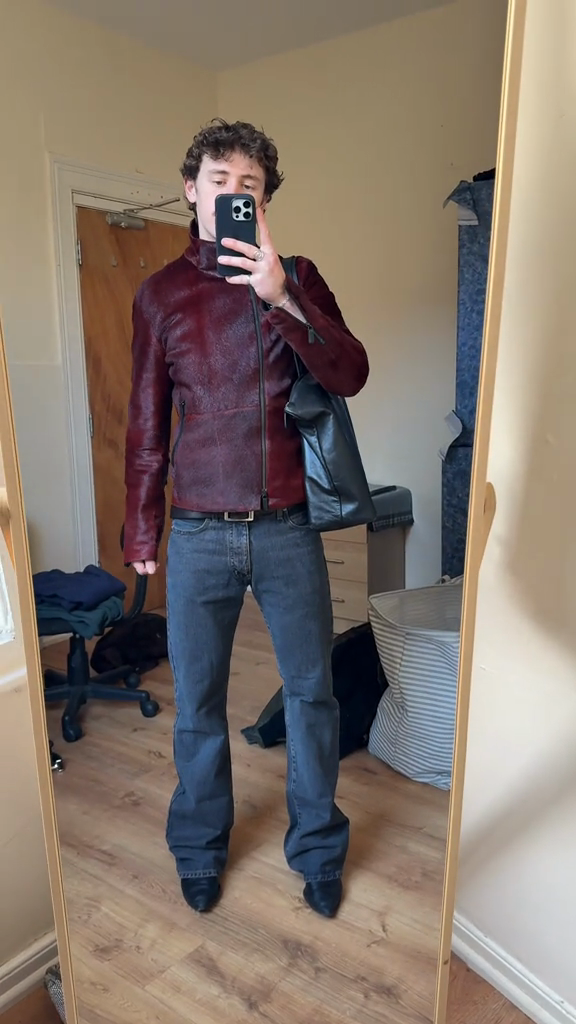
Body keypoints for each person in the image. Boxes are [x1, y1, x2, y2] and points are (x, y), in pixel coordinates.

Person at [123, 118, 369, 918]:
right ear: (191, 190)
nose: (233, 196)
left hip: (287, 528)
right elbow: (146, 422)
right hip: (198, 533)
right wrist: (141, 527)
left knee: (313, 696)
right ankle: (199, 849)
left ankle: (318, 850)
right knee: (197, 704)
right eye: (219, 181)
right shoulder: (160, 297)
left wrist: (282, 298)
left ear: (265, 204)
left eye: (250, 188)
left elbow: (350, 371)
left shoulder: (296, 276)